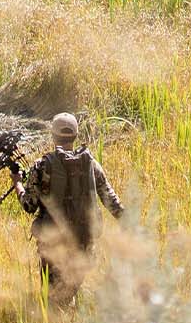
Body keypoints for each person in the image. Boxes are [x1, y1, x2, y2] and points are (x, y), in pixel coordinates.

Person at [15, 112, 123, 306]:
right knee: (68, 292)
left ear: (53, 136)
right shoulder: (91, 164)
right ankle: (69, 317)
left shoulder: (42, 166)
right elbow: (111, 201)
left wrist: (17, 183)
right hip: (84, 243)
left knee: (52, 299)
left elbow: (28, 205)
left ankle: (57, 321)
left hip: (53, 244)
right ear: (75, 136)